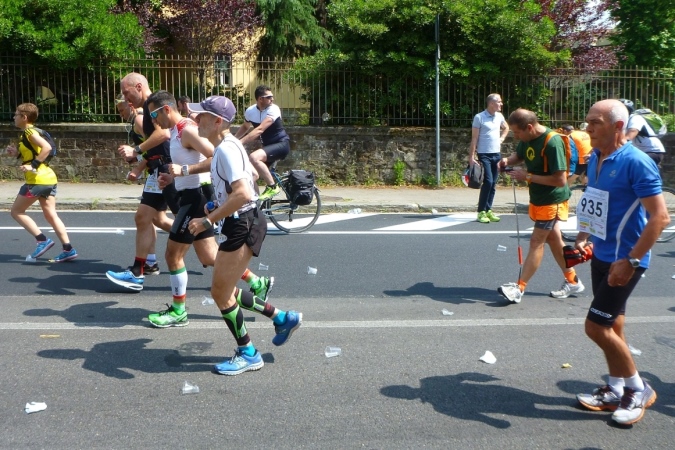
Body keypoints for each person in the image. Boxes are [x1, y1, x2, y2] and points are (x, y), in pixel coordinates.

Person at [187, 95, 302, 375]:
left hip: (243, 224)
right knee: (225, 289)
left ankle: (249, 353)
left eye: (201, 116)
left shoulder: (227, 149)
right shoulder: (227, 147)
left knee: (220, 292)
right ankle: (282, 318)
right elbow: (248, 181)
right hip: (241, 221)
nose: (195, 119)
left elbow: (243, 193)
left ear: (217, 121)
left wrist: (207, 220)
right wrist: (216, 204)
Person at [574, 99, 669, 425]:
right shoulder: (595, 158)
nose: (587, 128)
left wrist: (631, 260)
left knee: (595, 327)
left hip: (626, 260)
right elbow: (595, 201)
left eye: (595, 122)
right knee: (612, 327)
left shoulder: (636, 162)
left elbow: (660, 217)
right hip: (601, 255)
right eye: (587, 121)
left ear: (617, 126)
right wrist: (584, 236)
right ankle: (615, 388)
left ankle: (638, 388)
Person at [143, 90, 217, 327]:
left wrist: (183, 171)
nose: (154, 121)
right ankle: (256, 282)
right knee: (208, 256)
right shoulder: (176, 131)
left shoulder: (187, 130)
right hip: (189, 195)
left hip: (196, 197)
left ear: (166, 109)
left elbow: (215, 157)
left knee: (172, 255)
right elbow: (189, 162)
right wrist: (172, 178)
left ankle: (178, 311)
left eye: (154, 115)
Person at [497, 109, 585, 303]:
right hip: (539, 198)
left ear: (529, 127)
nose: (516, 136)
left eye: (517, 132)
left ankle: (519, 288)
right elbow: (519, 156)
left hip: (552, 199)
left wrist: (527, 176)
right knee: (553, 239)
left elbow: (560, 180)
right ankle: (573, 281)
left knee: (536, 241)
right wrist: (506, 161)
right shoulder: (528, 138)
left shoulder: (552, 142)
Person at [106, 72, 177, 289]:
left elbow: (163, 135)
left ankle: (248, 277)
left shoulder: (151, 105)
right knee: (143, 217)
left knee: (200, 239)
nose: (125, 98)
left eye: (126, 92)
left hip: (168, 170)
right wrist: (138, 160)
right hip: (158, 170)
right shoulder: (145, 108)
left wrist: (136, 150)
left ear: (138, 86)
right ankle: (139, 271)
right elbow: (154, 144)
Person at [7, 103, 78, 262]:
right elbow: (35, 152)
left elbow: (46, 148)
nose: (14, 117)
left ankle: (42, 240)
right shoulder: (30, 133)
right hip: (48, 178)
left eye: (16, 114)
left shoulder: (29, 132)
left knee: (16, 211)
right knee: (51, 215)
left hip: (37, 180)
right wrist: (17, 153)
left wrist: (33, 166)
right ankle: (68, 249)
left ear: (24, 117)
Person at [235, 85, 290, 201]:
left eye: (272, 96)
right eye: (269, 97)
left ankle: (272, 186)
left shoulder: (273, 109)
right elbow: (245, 127)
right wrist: (233, 140)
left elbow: (259, 130)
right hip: (268, 147)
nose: (272, 99)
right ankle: (255, 202)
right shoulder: (250, 111)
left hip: (281, 144)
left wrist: (240, 142)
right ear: (260, 99)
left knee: (254, 157)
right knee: (249, 174)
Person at [468, 93, 509, 223]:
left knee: (494, 183)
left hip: (496, 154)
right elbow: (474, 138)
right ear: (491, 103)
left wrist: (501, 139)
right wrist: (471, 157)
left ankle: (488, 209)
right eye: (499, 102)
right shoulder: (479, 117)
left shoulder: (499, 116)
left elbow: (506, 127)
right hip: (484, 154)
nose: (501, 104)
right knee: (488, 182)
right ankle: (481, 211)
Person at [620, 99, 667, 168]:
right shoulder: (624, 121)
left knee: (632, 165)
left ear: (628, 110)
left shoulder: (635, 118)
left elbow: (630, 135)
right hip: (640, 152)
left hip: (652, 151)